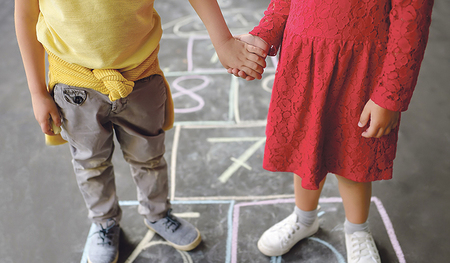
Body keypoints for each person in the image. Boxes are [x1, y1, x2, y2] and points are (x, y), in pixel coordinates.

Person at [14, 1, 269, 263]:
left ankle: (158, 213)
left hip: (140, 75)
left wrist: (223, 41)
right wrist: (36, 91)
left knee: (149, 156)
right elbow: (26, 12)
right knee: (90, 163)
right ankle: (104, 223)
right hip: (74, 83)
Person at [228, 0, 433, 262]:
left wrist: (390, 95)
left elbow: (411, 17)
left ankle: (357, 231)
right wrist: (265, 32)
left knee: (354, 154)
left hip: (361, 67)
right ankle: (304, 218)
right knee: (304, 146)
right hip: (304, 60)